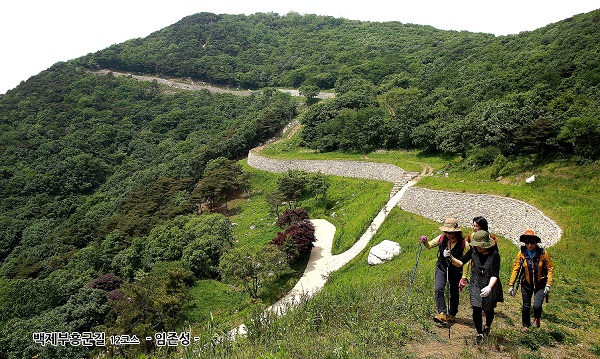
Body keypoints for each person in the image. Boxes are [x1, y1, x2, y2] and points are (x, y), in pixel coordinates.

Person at [446, 230, 504, 345]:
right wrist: (450, 257)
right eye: (476, 245)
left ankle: (487, 326)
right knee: (476, 308)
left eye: (480, 246)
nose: (478, 248)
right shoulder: (473, 251)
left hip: (489, 283)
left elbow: (495, 274)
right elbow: (461, 263)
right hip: (476, 282)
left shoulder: (494, 255)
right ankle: (479, 334)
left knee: (488, 308)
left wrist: (489, 287)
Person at [419, 218, 470, 325]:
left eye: (450, 233)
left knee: (453, 292)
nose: (448, 235)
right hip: (442, 267)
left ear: (456, 232)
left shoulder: (464, 244)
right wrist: (425, 241)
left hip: (456, 271)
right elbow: (429, 246)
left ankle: (452, 314)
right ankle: (442, 312)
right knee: (439, 288)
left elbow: (466, 262)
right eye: (446, 232)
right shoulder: (441, 238)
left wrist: (464, 277)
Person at [507, 229, 555, 333]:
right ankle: (525, 326)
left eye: (532, 243)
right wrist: (511, 285)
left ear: (535, 243)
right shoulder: (521, 253)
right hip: (526, 284)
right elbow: (516, 268)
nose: (529, 245)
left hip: (540, 284)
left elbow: (550, 268)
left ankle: (536, 318)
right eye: (527, 243)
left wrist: (548, 285)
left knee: (537, 306)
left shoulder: (543, 253)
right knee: (526, 306)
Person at [462, 216, 499, 291]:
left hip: (488, 269)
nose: (474, 228)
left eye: (477, 226)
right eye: (474, 225)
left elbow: (494, 254)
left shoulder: (490, 238)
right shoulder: (470, 236)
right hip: (475, 267)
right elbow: (466, 253)